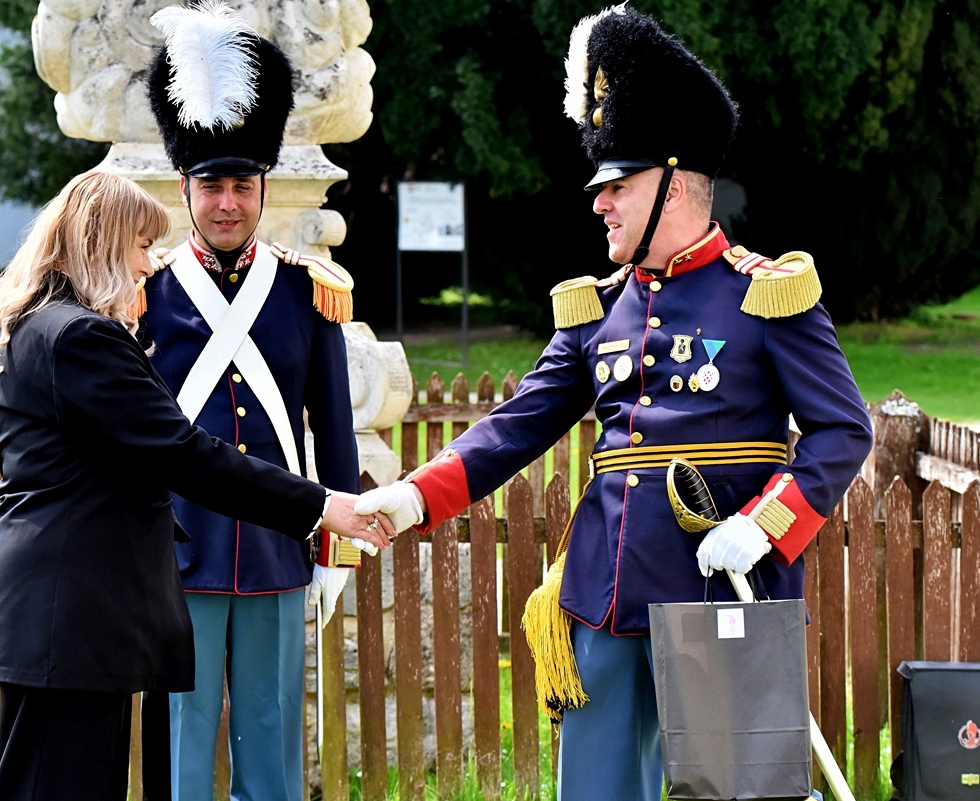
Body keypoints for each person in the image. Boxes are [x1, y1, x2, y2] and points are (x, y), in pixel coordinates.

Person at [356, 7, 874, 800]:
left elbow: (842, 430)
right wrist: (413, 495)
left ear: (675, 186)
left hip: (721, 594)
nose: (599, 204)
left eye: (618, 187)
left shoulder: (766, 296)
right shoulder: (597, 310)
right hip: (606, 595)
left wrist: (762, 525)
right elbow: (518, 424)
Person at [0, 169, 393, 801]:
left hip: (55, 601)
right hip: (72, 603)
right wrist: (324, 506)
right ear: (102, 244)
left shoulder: (34, 325)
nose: (147, 264)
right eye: (139, 246)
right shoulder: (83, 335)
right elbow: (185, 454)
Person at [139, 4, 366, 799]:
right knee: (182, 738)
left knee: (272, 738)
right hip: (179, 548)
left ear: (264, 186)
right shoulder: (146, 293)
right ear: (185, 188)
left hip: (276, 545)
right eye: (212, 185)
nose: (227, 202)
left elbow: (333, 429)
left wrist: (336, 548)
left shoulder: (310, 290)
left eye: (242, 184)